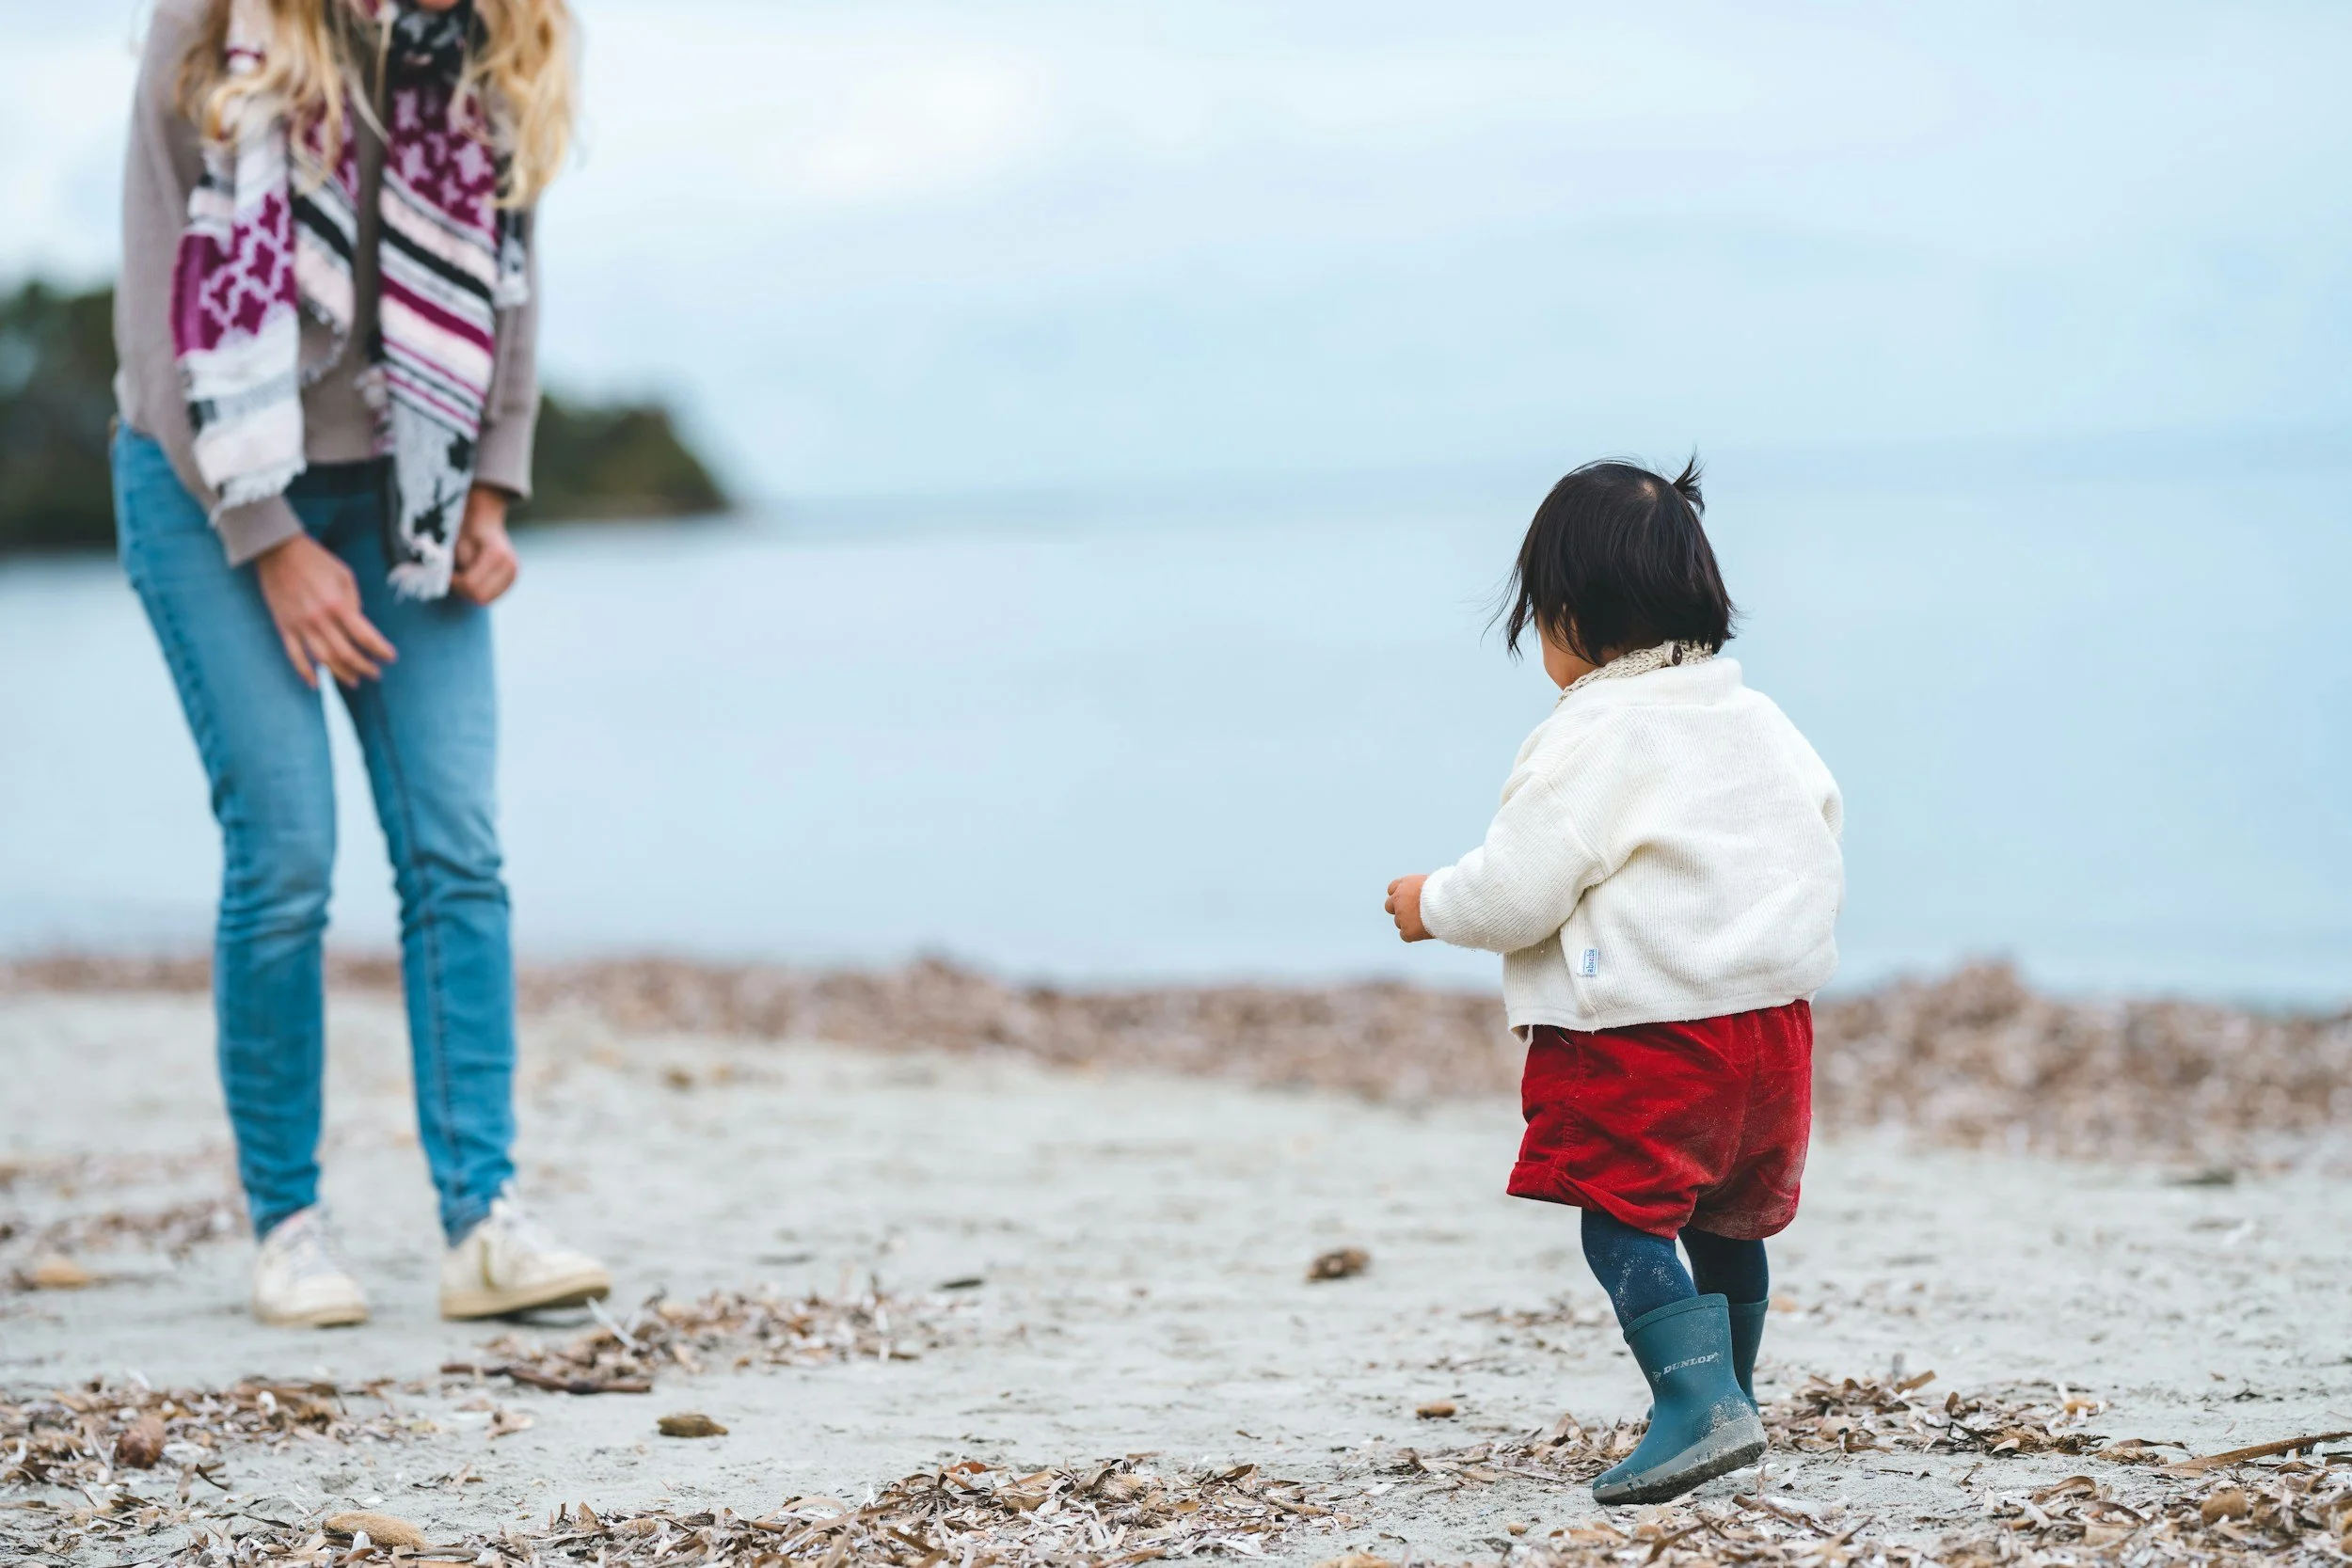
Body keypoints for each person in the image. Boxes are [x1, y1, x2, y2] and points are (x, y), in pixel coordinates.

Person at [111, 0, 610, 1328]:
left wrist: (489, 490)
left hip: (409, 482)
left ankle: (483, 1220)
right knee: (285, 856)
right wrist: (269, 540)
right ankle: (289, 1227)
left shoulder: (495, 28)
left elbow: (509, 268)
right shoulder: (212, 21)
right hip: (206, 490)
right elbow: (159, 317)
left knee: (458, 850)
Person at [1383, 459, 1843, 1504]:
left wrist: (1431, 903)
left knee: (1621, 1210)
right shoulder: (1759, 719)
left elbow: (1516, 890)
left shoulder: (1591, 736)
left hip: (1644, 1032)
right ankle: (1732, 1391)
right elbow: (1818, 832)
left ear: (1570, 617)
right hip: (1773, 1030)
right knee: (1727, 1218)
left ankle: (1697, 1401)